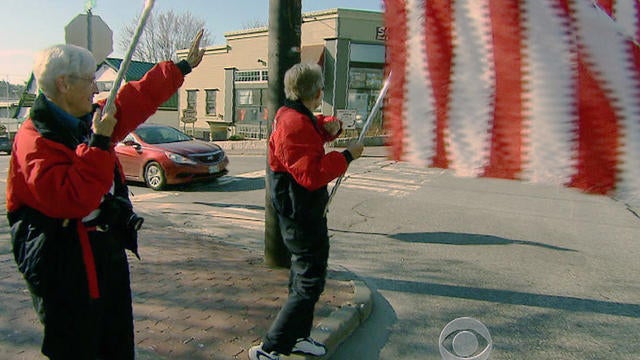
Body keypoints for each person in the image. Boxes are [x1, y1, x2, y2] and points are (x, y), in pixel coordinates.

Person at [7, 30, 205, 359]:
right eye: (89, 80)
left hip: (104, 254)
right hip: (65, 267)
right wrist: (99, 144)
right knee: (78, 346)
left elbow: (135, 98)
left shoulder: (86, 119)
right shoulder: (34, 140)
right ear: (63, 84)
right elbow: (73, 198)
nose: (96, 88)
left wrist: (181, 66)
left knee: (115, 342)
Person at [249, 63, 364, 360]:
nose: (321, 92)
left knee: (306, 278)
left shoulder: (294, 116)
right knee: (309, 280)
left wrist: (330, 125)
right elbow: (310, 175)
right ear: (314, 91)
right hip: (299, 213)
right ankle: (270, 347)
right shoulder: (293, 123)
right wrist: (347, 155)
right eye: (320, 87)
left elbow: (311, 131)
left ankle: (298, 337)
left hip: (305, 210)